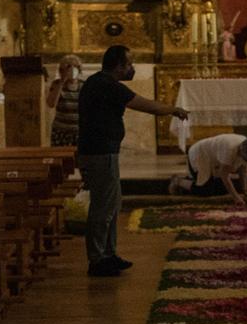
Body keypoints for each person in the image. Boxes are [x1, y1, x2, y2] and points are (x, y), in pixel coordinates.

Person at [74, 44, 190, 278]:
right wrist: (173, 109)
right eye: (130, 63)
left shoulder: (97, 82)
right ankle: (97, 259)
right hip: (100, 153)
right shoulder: (108, 86)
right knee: (103, 206)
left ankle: (108, 254)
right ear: (118, 66)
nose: (133, 67)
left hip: (100, 152)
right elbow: (146, 105)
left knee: (112, 204)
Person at [169, 133, 247, 205]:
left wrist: (244, 190)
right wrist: (236, 197)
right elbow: (224, 175)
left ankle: (192, 180)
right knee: (205, 190)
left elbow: (243, 169)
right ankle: (178, 181)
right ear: (241, 151)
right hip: (200, 154)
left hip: (213, 161)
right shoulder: (230, 148)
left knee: (223, 188)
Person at [46, 54, 84, 148]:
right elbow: (51, 103)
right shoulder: (56, 84)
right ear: (62, 70)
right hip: (61, 132)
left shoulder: (84, 86)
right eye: (68, 67)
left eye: (75, 66)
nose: (72, 69)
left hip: (79, 132)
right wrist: (62, 82)